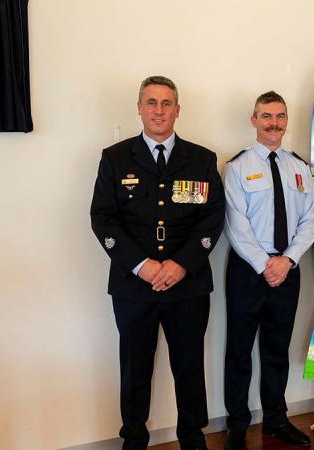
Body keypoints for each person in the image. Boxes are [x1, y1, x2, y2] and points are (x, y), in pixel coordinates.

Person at [90, 75, 225, 450]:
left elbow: (212, 218)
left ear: (177, 110)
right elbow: (103, 218)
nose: (159, 110)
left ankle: (192, 436)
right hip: (134, 286)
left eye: (166, 103)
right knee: (135, 367)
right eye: (151, 102)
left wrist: (181, 264)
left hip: (189, 285)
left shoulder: (201, 159)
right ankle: (133, 438)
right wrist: (141, 265)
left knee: (189, 366)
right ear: (139, 108)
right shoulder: (115, 158)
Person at [222, 91, 314, 450]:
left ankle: (276, 419)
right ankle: (237, 425)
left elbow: (310, 220)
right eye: (266, 116)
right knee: (239, 350)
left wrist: (288, 260)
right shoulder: (237, 167)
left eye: (279, 116)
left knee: (277, 348)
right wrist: (266, 264)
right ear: (254, 120)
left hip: (287, 269)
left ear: (286, 121)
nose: (273, 123)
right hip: (248, 271)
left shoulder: (299, 168)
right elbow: (235, 225)